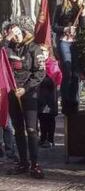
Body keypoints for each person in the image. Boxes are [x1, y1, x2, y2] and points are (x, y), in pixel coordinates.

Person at [3, 24, 45, 179]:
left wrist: (26, 88)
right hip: (12, 93)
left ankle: (35, 163)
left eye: (17, 32)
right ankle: (23, 162)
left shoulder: (33, 48)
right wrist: (6, 41)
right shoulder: (7, 48)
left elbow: (40, 72)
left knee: (31, 129)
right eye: (12, 34)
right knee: (18, 129)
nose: (16, 35)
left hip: (29, 93)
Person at [52, 0, 85, 115]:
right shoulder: (60, 8)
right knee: (67, 70)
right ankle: (66, 102)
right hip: (64, 42)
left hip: (76, 42)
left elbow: (84, 28)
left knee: (76, 73)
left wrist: (83, 15)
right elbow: (54, 26)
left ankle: (75, 102)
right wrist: (66, 28)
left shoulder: (80, 8)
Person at [37, 45, 61, 148]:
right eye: (40, 52)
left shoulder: (53, 64)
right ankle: (43, 138)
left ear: (48, 53)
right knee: (42, 118)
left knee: (50, 119)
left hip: (50, 95)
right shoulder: (36, 64)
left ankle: (50, 139)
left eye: (44, 52)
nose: (43, 54)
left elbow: (58, 79)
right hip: (40, 95)